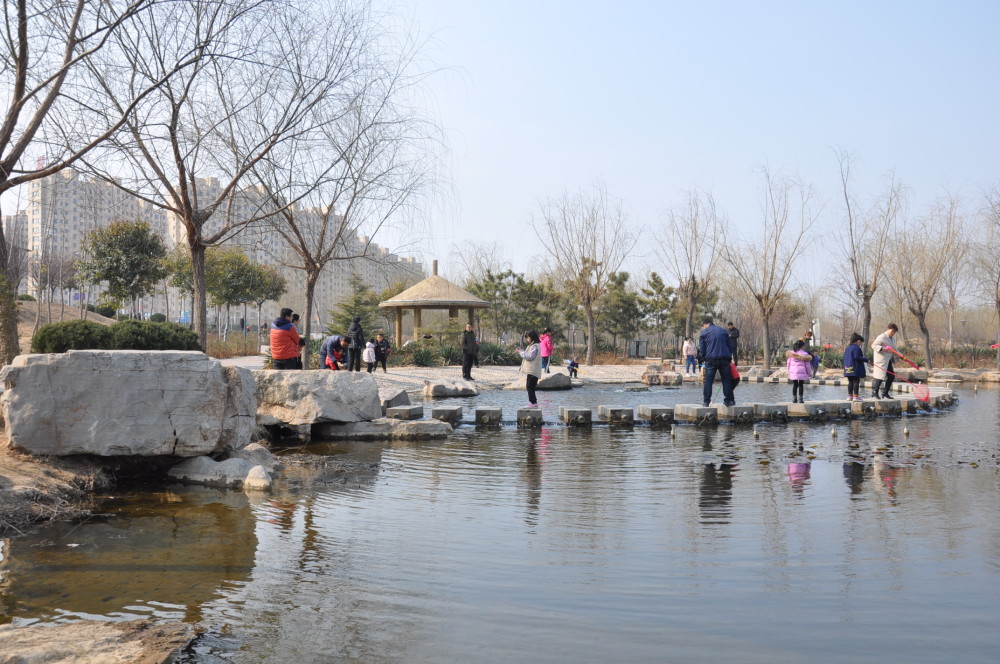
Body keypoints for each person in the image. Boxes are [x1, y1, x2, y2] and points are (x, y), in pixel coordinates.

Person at [698, 317, 735, 407]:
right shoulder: (723, 330)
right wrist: (729, 356)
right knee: (726, 380)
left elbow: (702, 348)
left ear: (705, 325)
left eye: (704, 326)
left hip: (711, 359)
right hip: (724, 358)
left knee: (708, 381)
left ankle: (706, 401)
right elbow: (730, 346)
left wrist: (702, 358)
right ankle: (728, 401)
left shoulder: (704, 332)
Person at [871, 323, 898, 399]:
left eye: (894, 332)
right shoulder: (882, 337)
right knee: (880, 376)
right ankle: (875, 392)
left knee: (891, 376)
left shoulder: (893, 339)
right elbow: (873, 345)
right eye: (892, 331)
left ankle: (885, 393)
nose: (893, 333)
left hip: (888, 360)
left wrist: (902, 356)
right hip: (881, 360)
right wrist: (883, 348)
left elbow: (895, 350)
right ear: (888, 329)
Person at [516, 330, 542, 408]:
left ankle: (532, 403)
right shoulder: (535, 345)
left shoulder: (534, 346)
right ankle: (534, 402)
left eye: (528, 337)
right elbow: (529, 354)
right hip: (532, 370)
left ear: (531, 337)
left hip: (533, 370)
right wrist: (521, 351)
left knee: (530, 386)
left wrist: (521, 353)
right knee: (530, 386)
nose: (527, 339)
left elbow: (530, 356)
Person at [843, 333, 867, 401]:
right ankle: (856, 396)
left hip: (847, 367)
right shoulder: (856, 348)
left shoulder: (848, 347)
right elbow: (857, 357)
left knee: (850, 382)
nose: (861, 344)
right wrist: (866, 360)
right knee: (856, 381)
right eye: (861, 342)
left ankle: (849, 396)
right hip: (855, 367)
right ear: (858, 341)